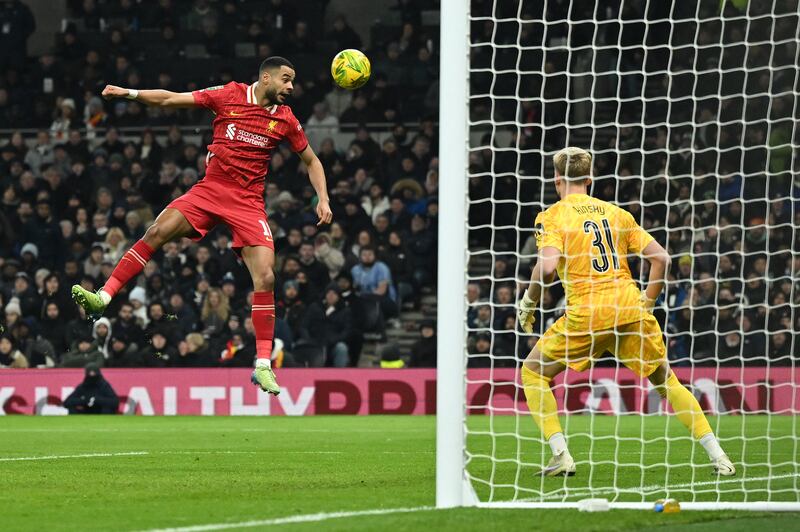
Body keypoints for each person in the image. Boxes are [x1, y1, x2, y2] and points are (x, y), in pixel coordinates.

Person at [70, 57, 333, 395]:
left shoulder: (285, 119)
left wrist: (322, 197)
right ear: (265, 77)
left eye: (292, 81)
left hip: (247, 203)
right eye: (285, 79)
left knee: (266, 275)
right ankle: (103, 298)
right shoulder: (229, 95)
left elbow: (311, 160)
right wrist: (129, 93)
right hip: (210, 190)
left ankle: (263, 365)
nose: (291, 87)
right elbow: (170, 99)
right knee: (156, 231)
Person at [516, 147, 735, 477]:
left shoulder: (553, 216)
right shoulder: (617, 214)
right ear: (590, 179)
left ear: (556, 179)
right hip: (629, 308)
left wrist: (529, 303)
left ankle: (561, 454)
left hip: (587, 313)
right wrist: (648, 300)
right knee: (667, 382)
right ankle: (719, 457)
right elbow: (662, 259)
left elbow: (546, 268)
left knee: (533, 372)